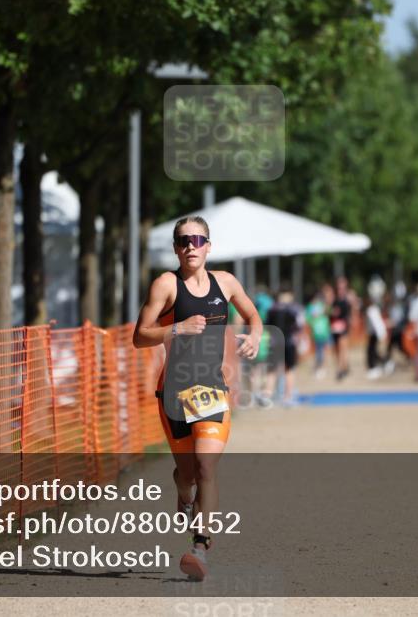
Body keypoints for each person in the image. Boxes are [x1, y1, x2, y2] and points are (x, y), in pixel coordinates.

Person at [133, 216, 261, 581]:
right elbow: (139, 336)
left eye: (198, 239)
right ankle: (182, 491)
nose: (191, 245)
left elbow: (252, 314)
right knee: (187, 473)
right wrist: (177, 327)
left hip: (212, 391)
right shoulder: (166, 285)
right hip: (173, 392)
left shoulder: (226, 282)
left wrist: (254, 335)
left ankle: (199, 546)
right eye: (184, 240)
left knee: (206, 467)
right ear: (176, 248)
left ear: (208, 246)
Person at [265, 290, 305, 406]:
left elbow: (267, 326)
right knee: (289, 370)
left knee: (271, 371)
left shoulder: (271, 310)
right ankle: (288, 396)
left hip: (275, 343)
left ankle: (267, 396)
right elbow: (299, 326)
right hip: (288, 343)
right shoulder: (293, 310)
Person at [305, 285, 333, 379]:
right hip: (316, 332)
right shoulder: (311, 306)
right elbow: (308, 319)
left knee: (323, 350)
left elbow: (329, 311)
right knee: (319, 351)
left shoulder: (322, 305)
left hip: (324, 331)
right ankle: (319, 367)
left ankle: (322, 367)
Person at [329, 276, 352, 380]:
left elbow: (351, 311)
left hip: (344, 326)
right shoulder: (334, 299)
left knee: (343, 347)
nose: (340, 287)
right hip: (335, 326)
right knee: (337, 349)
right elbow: (330, 311)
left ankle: (341, 369)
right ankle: (342, 366)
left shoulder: (348, 297)